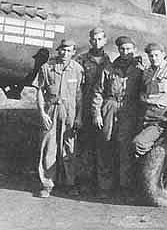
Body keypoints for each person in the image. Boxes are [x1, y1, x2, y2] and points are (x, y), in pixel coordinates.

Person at [91, 36, 144, 198]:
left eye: (129, 49)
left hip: (128, 109)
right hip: (109, 106)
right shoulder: (108, 68)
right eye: (122, 49)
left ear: (134, 49)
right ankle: (105, 187)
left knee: (125, 147)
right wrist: (97, 113)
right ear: (118, 50)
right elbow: (98, 92)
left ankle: (125, 187)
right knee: (105, 145)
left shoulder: (140, 69)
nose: (125, 52)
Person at [35, 39, 84, 198]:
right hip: (52, 109)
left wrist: (78, 117)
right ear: (58, 50)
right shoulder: (46, 67)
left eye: (69, 51)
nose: (65, 53)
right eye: (63, 50)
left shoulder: (77, 69)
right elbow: (40, 92)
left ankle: (70, 183)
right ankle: (47, 184)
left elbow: (79, 96)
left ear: (73, 52)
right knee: (49, 147)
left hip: (69, 111)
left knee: (69, 149)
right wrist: (42, 113)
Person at [75, 27, 112, 194]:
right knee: (85, 147)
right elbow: (77, 88)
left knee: (104, 147)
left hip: (103, 110)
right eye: (94, 39)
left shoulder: (109, 61)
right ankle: (85, 183)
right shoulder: (82, 60)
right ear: (90, 41)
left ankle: (103, 186)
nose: (97, 42)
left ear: (105, 41)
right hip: (85, 109)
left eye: (100, 39)